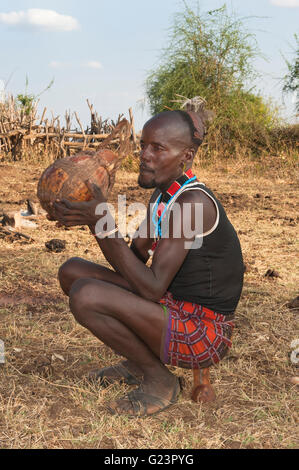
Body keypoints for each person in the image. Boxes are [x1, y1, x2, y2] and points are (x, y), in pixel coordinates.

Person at [52, 110, 244, 417]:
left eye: (158, 148)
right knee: (72, 272)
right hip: (173, 305)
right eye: (143, 145)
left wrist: (103, 222)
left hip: (203, 331)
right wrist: (93, 220)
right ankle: (137, 362)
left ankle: (159, 380)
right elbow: (134, 262)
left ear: (186, 156)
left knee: (86, 294)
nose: (144, 155)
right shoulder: (163, 197)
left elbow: (151, 288)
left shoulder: (192, 203)